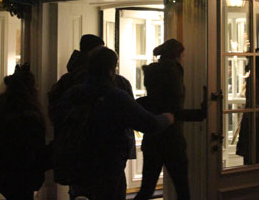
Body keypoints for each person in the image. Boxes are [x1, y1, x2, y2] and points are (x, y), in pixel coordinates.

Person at [55, 46, 174, 200]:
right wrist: (168, 118)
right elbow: (149, 124)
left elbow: (58, 122)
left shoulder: (73, 93)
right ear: (111, 69)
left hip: (77, 166)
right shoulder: (115, 96)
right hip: (108, 168)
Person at [48, 34, 137, 198]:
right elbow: (132, 116)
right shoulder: (116, 84)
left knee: (79, 192)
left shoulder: (67, 81)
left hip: (76, 153)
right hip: (109, 155)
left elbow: (55, 114)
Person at [134, 39, 205, 200]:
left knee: (146, 189)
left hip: (153, 137)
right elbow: (173, 111)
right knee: (182, 190)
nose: (184, 59)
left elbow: (158, 104)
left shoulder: (153, 72)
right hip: (172, 139)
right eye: (183, 55)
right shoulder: (173, 72)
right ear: (177, 56)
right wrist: (200, 114)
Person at [0, 64, 49, 200]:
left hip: (3, 172)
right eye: (35, 85)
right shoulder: (29, 116)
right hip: (23, 174)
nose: (38, 88)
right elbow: (33, 150)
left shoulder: (0, 108)